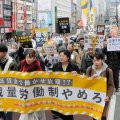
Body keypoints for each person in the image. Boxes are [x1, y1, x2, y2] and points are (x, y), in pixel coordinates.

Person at [52, 49, 80, 120]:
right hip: (58, 93)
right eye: (60, 56)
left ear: (68, 57)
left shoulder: (74, 66)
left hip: (69, 93)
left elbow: (80, 80)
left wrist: (76, 75)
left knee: (68, 113)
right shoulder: (55, 66)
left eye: (63, 56)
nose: (61, 57)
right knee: (58, 112)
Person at [86, 53, 114, 120]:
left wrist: (108, 96)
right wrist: (91, 78)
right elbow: (86, 83)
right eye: (94, 60)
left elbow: (111, 85)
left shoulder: (108, 71)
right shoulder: (89, 70)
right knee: (94, 116)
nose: (96, 62)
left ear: (102, 60)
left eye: (98, 60)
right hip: (93, 97)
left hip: (103, 98)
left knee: (102, 117)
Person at [19, 49, 46, 120]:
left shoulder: (37, 66)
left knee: (35, 109)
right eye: (27, 57)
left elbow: (41, 77)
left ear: (34, 58)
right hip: (25, 90)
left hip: (35, 91)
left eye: (30, 57)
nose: (28, 59)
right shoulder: (23, 64)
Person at [0, 43, 18, 120]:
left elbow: (16, 78)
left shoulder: (12, 63)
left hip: (9, 92)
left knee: (8, 114)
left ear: (4, 52)